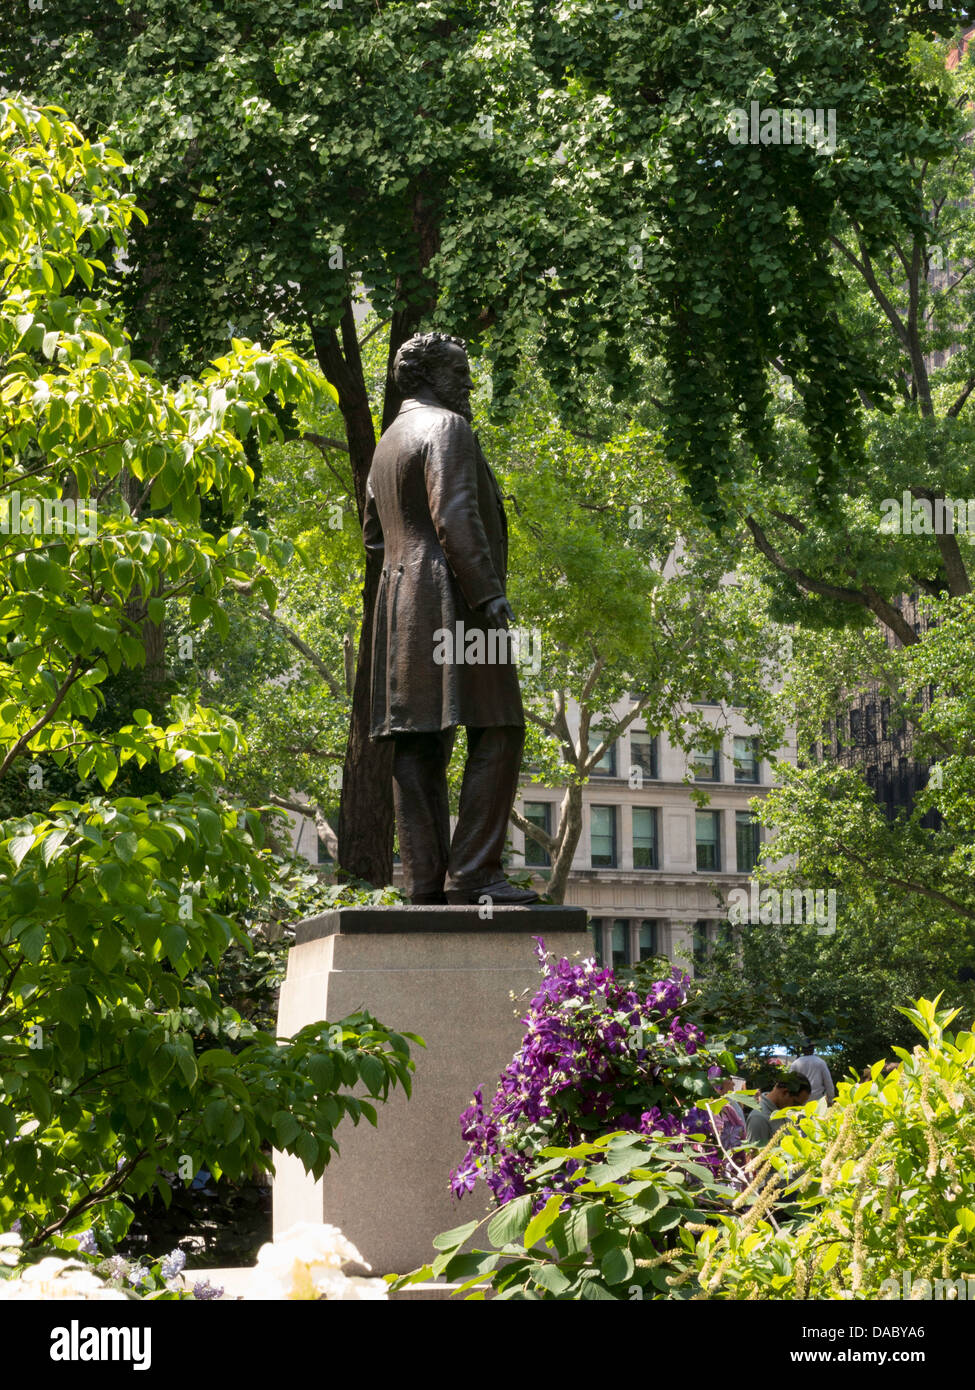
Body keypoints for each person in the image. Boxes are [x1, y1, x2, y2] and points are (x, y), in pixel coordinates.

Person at [363, 331, 539, 906]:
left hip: (399, 608)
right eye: (459, 371)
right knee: (501, 725)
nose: (468, 381)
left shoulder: (388, 442)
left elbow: (372, 539)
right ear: (428, 375)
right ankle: (474, 875)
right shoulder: (448, 428)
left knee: (417, 742)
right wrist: (488, 596)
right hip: (454, 600)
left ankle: (423, 884)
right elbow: (458, 517)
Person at [745, 1071, 812, 1147]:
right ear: (784, 1093)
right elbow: (755, 1156)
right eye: (795, 1104)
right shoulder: (759, 1118)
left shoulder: (785, 1111)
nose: (797, 1109)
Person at [786, 1037, 836, 1103]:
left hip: (800, 1101)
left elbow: (790, 1083)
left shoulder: (795, 1063)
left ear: (802, 1049)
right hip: (818, 1102)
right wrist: (830, 1100)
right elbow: (828, 1084)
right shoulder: (820, 1062)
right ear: (813, 1049)